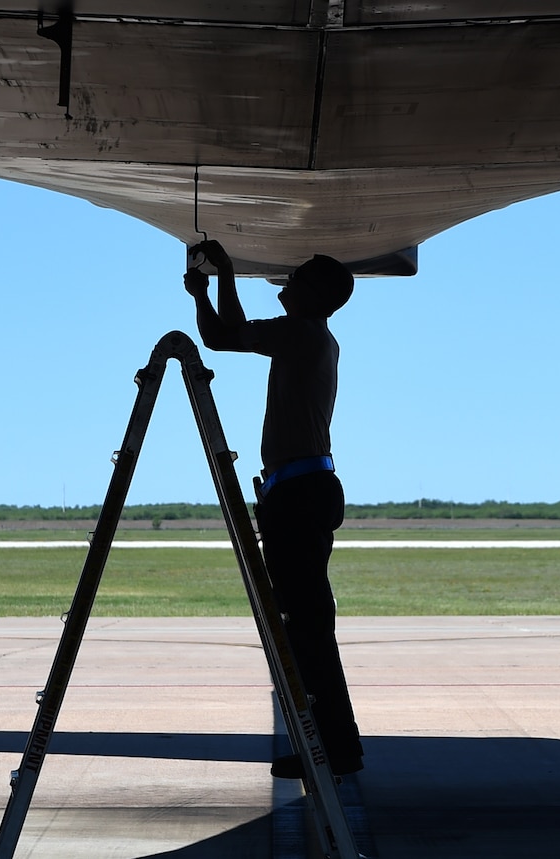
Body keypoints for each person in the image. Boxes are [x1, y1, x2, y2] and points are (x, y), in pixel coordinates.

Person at [184, 239, 363, 778]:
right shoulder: (313, 337)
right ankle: (334, 743)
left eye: (299, 279)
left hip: (298, 496)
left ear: (316, 295)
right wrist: (222, 277)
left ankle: (331, 747)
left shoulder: (300, 334)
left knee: (305, 628)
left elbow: (218, 337)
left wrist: (208, 287)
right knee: (309, 625)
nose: (287, 284)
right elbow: (235, 331)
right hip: (305, 491)